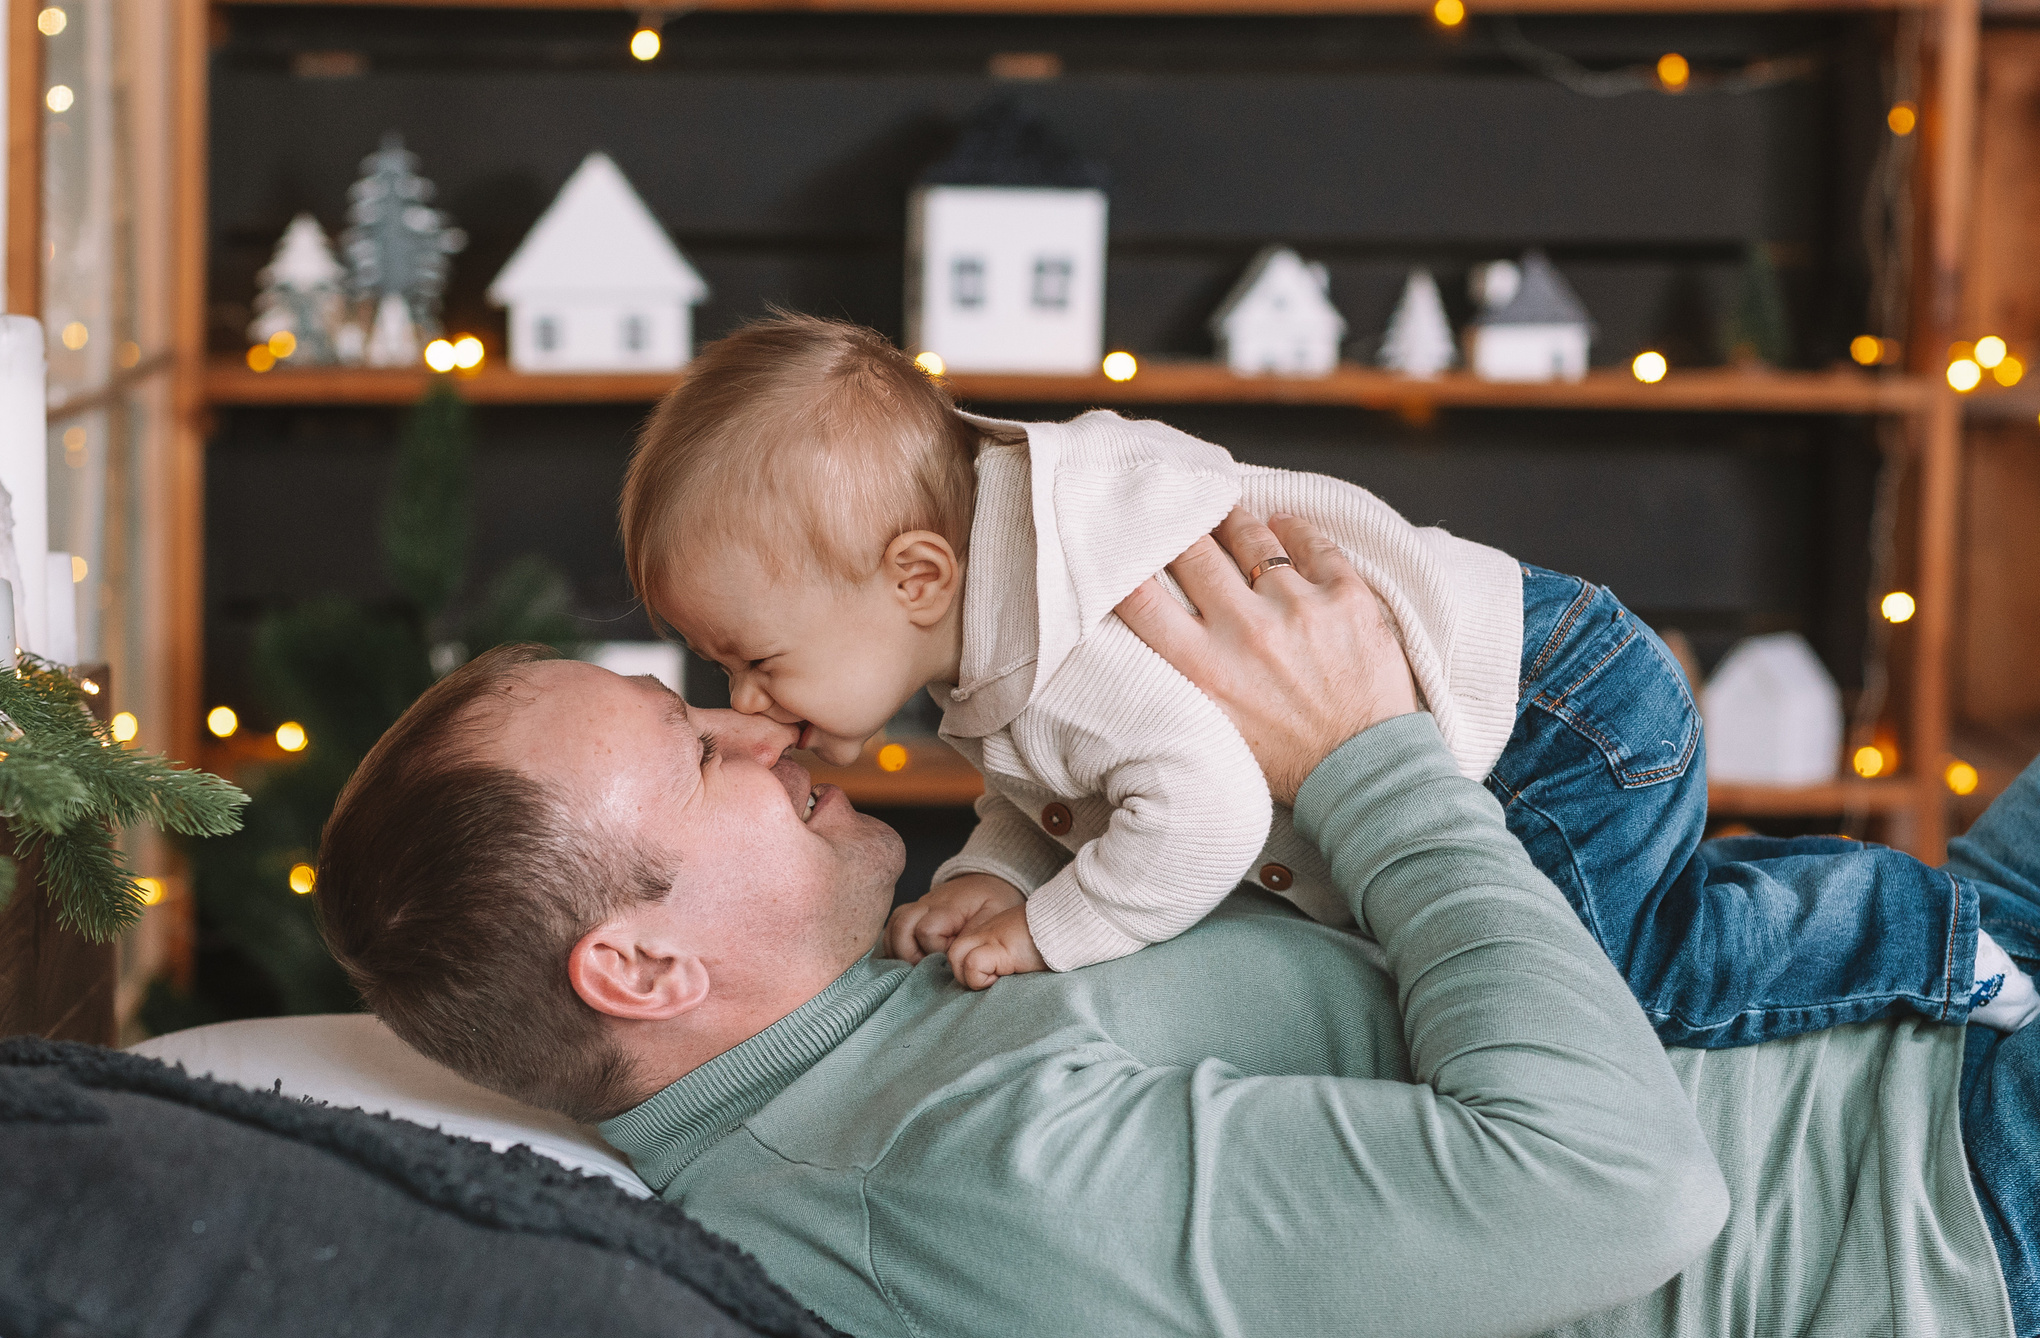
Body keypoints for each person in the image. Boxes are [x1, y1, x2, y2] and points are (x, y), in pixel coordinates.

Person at [314, 512, 2040, 1338]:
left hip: (1913, 969)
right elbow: (1617, 1188)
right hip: (1948, 1182)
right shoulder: (965, 1184)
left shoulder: (893, 994)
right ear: (641, 967)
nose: (759, 729)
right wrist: (1367, 757)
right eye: (698, 758)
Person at [617, 312, 2032, 1042]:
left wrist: (1060, 935)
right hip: (1556, 672)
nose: (744, 702)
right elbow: (1066, 786)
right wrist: (1001, 869)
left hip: (1541, 717)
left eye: (755, 656)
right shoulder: (999, 607)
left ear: (917, 576)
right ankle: (1805, 903)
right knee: (1619, 934)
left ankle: (1917, 936)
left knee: (1603, 1004)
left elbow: (1201, 813)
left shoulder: (1067, 639)